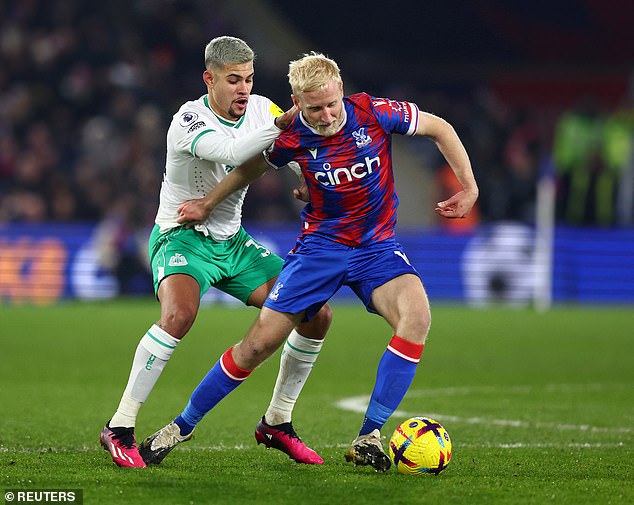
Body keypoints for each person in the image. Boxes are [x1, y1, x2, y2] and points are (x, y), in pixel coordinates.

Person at [142, 52, 478, 471]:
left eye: (331, 103)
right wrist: (208, 203)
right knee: (258, 345)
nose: (325, 115)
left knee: (417, 318)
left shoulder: (374, 112)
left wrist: (469, 187)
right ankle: (181, 425)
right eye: (314, 108)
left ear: (341, 89)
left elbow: (439, 127)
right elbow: (248, 170)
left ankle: (369, 435)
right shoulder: (292, 136)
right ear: (297, 102)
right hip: (320, 249)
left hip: (376, 248)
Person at [99, 37, 332, 468]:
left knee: (316, 312)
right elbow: (230, 152)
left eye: (249, 79)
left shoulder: (264, 110)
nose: (243, 89)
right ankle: (120, 426)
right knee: (179, 316)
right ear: (209, 79)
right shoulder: (187, 120)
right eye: (232, 80)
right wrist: (283, 129)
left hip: (234, 243)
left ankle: (278, 421)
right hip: (182, 236)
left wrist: (307, 178)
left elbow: (298, 147)